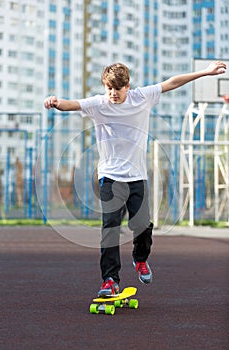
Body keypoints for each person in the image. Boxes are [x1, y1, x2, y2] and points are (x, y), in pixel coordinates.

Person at [44, 60, 226, 297]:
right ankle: (110, 279)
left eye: (117, 89)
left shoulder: (143, 97)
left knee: (142, 225)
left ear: (127, 86)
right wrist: (56, 102)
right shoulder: (99, 104)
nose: (112, 94)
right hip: (109, 177)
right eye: (109, 88)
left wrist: (205, 72)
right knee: (110, 226)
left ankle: (140, 259)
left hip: (137, 177)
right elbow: (73, 104)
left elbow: (172, 82)